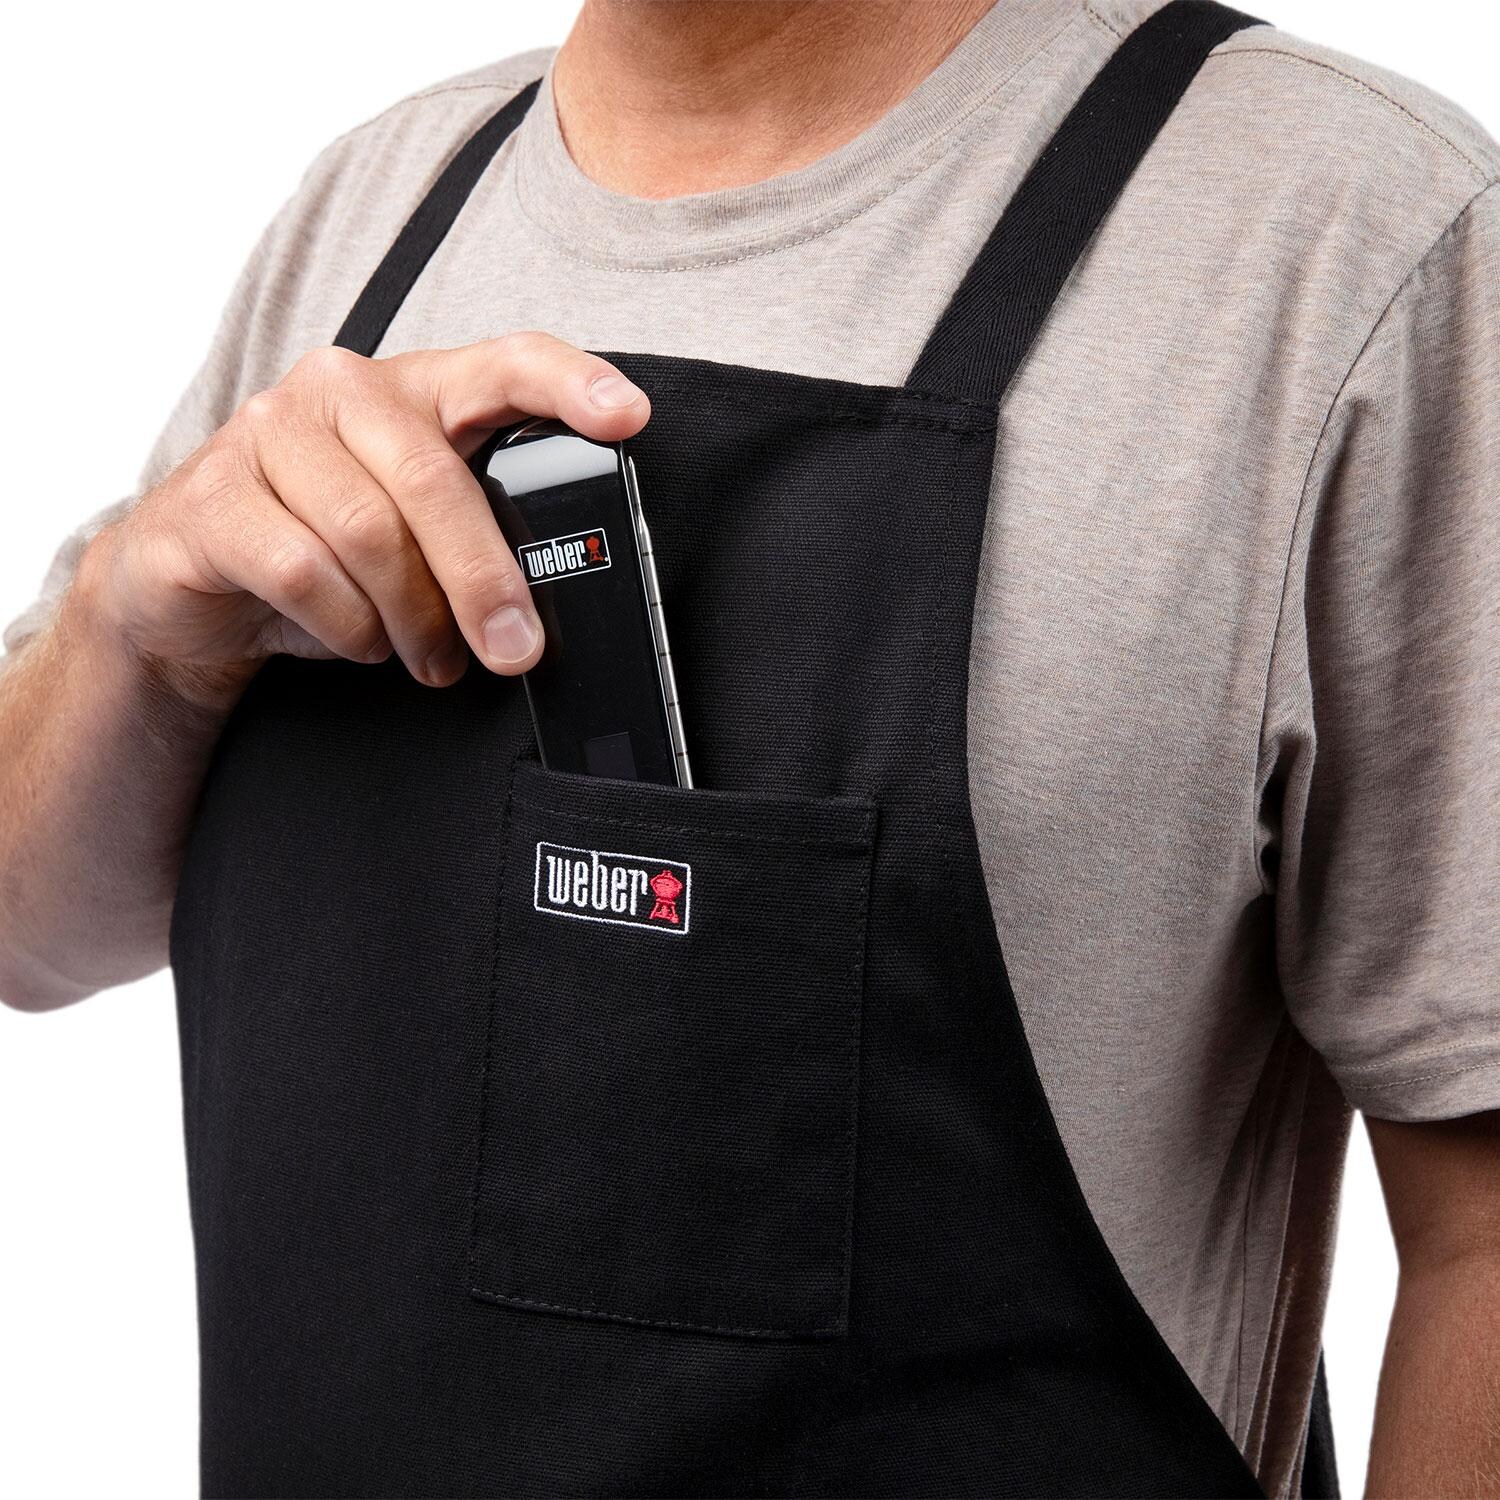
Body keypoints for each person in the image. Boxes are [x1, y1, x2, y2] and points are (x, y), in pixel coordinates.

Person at [0, 0, 1496, 1495]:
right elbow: (29, 934)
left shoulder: (1343, 233)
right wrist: (136, 629)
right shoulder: (377, 201)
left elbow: (1479, 1238)